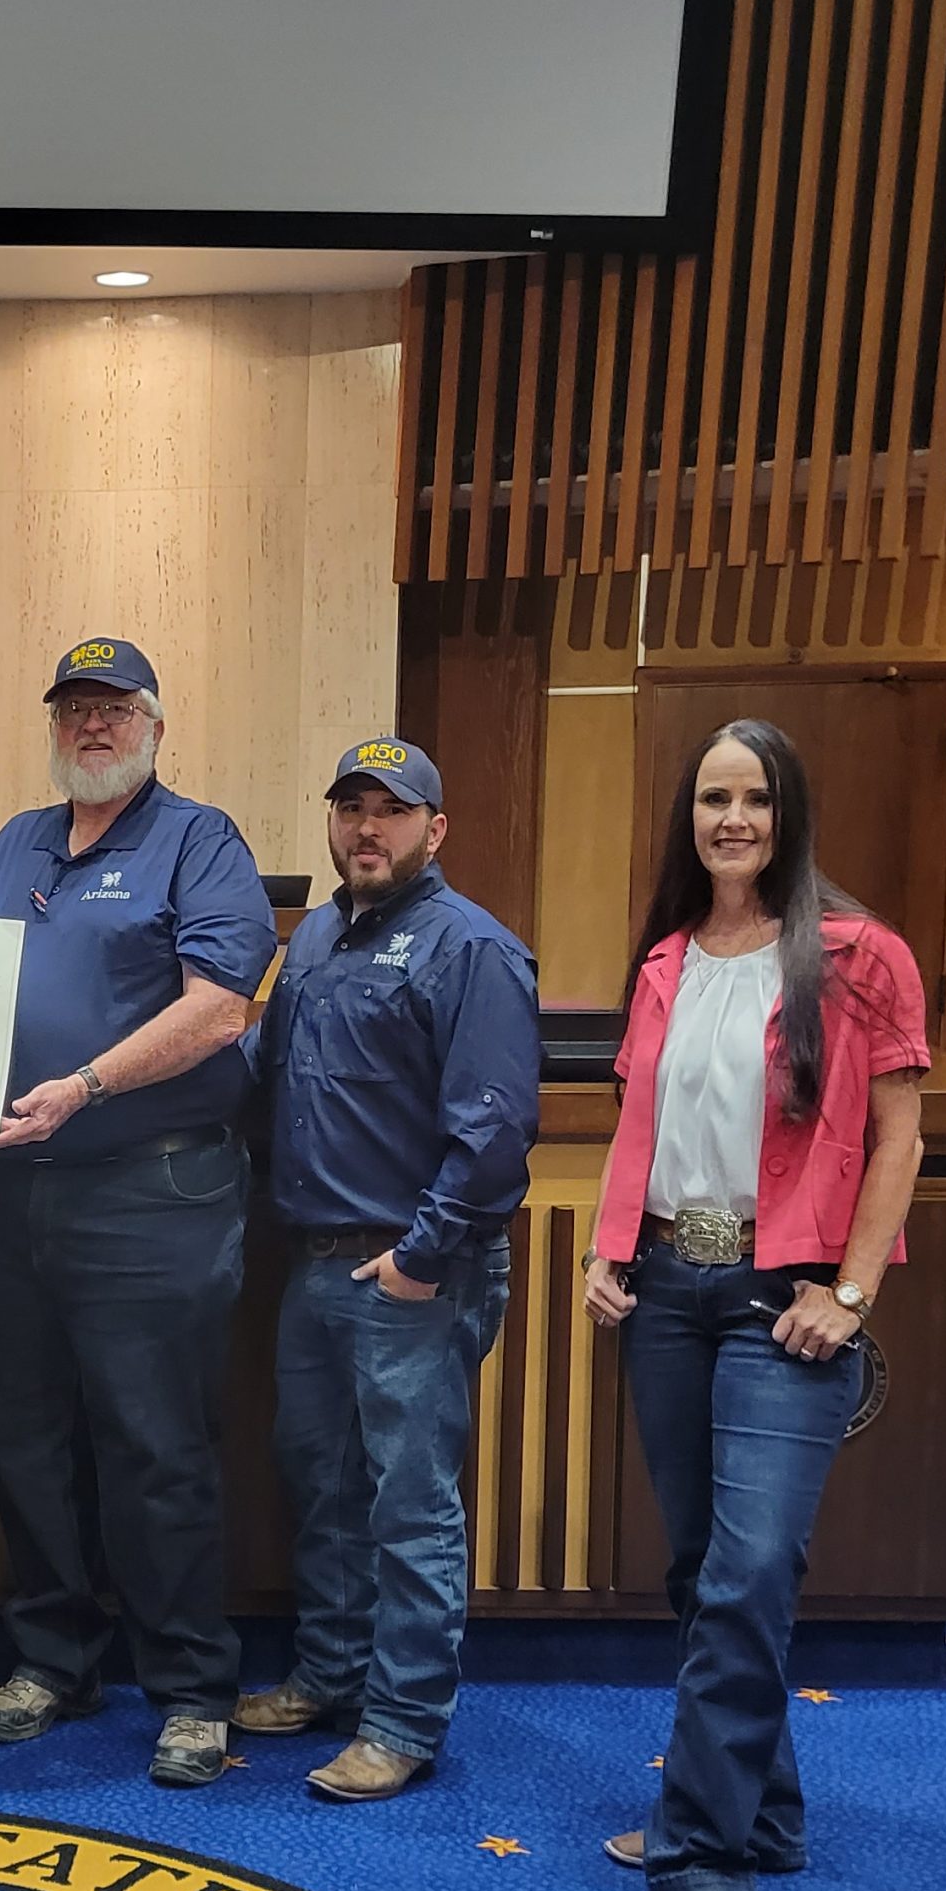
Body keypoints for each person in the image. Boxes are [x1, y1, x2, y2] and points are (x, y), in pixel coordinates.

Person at [582, 718, 926, 1891]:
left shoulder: (859, 954)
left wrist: (853, 1290)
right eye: (713, 798)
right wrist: (608, 1248)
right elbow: (640, 1120)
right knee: (703, 1570)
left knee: (751, 1570)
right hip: (668, 1286)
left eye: (756, 798)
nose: (732, 820)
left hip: (785, 1295)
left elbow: (898, 1136)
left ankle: (698, 1851)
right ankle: (762, 1813)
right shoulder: (666, 957)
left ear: (789, 816)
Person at [0, 639, 277, 1788]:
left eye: (114, 708)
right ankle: (54, 1659)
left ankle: (189, 1687)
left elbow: (220, 1008)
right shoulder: (16, 842)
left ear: (155, 726)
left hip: (150, 1194)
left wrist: (85, 1084)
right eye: (74, 709)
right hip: (7, 1192)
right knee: (27, 1437)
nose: (92, 726)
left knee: (155, 1445)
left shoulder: (199, 840)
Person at [237, 738, 539, 1799]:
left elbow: (494, 1134)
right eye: (351, 808)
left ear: (434, 829)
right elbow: (264, 1070)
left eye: (392, 810)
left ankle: (403, 1720)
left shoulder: (473, 948)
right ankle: (330, 1674)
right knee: (321, 1486)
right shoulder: (316, 935)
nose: (368, 828)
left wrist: (420, 1257)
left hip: (412, 1271)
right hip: (314, 1263)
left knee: (409, 1508)